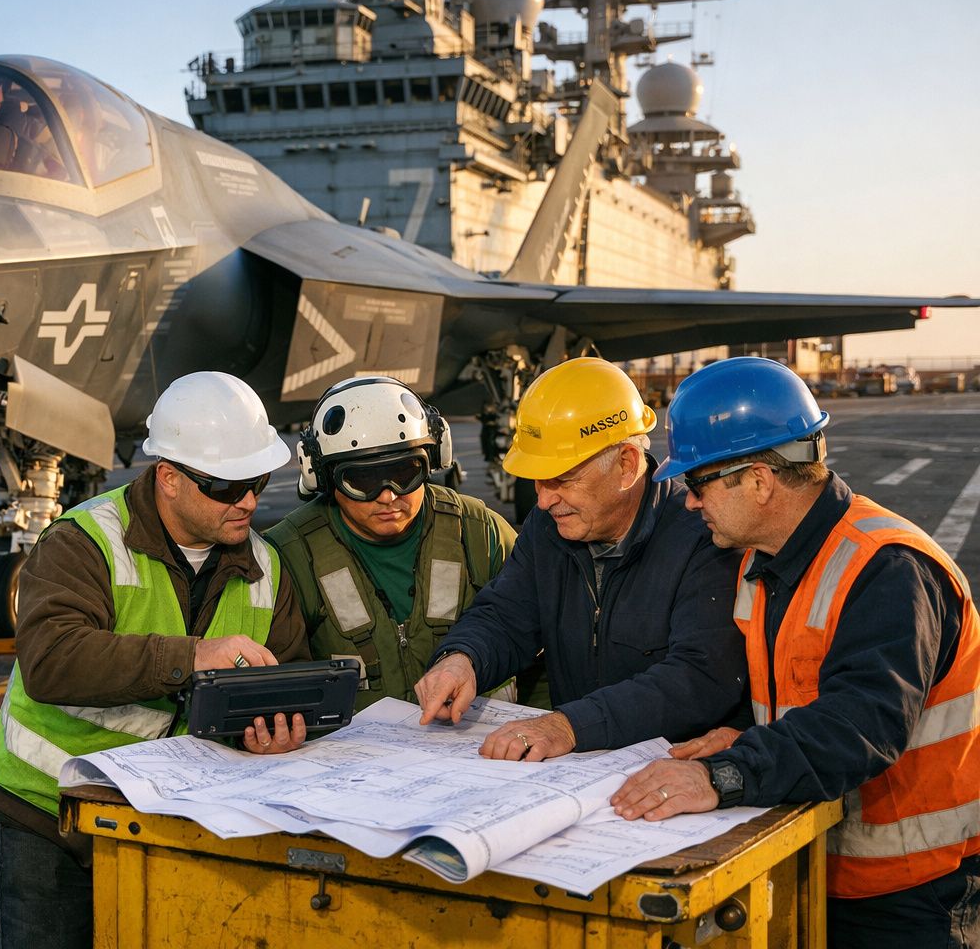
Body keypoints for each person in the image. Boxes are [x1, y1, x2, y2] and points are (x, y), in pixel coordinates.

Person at [610, 357, 979, 948]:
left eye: (699, 483)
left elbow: (860, 725)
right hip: (816, 866)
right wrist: (742, 736)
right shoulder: (765, 561)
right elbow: (801, 699)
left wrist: (724, 775)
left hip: (911, 894)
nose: (689, 503)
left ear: (758, 480)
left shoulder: (887, 569)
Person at [0, 371, 311, 949]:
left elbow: (287, 676)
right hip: (53, 816)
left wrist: (277, 728)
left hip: (180, 818)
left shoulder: (267, 567)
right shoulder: (83, 541)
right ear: (169, 479)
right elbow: (51, 660)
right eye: (227, 487)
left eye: (256, 481)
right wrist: (194, 656)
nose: (249, 502)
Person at [414, 356, 748, 760]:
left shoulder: (704, 536)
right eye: (537, 480)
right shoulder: (549, 527)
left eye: (562, 479)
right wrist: (462, 659)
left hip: (677, 770)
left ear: (626, 464)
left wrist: (569, 725)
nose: (543, 499)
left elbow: (698, 676)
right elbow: (507, 613)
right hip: (580, 769)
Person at [265, 376, 517, 708]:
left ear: (433, 459)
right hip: (355, 756)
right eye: (362, 480)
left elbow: (541, 650)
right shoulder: (291, 554)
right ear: (322, 477)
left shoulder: (479, 533)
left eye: (404, 474)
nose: (387, 496)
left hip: (480, 748)